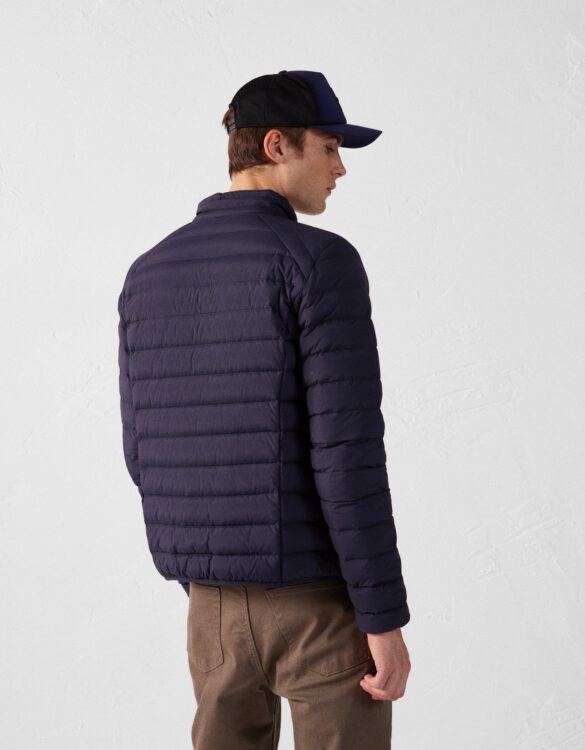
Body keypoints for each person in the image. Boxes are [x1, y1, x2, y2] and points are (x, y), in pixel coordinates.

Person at [117, 69, 411, 749]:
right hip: (317, 609)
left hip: (210, 614)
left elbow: (142, 453)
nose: (340, 168)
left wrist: (213, 587)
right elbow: (347, 456)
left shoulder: (148, 271)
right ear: (277, 145)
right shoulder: (319, 261)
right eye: (329, 147)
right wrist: (381, 616)